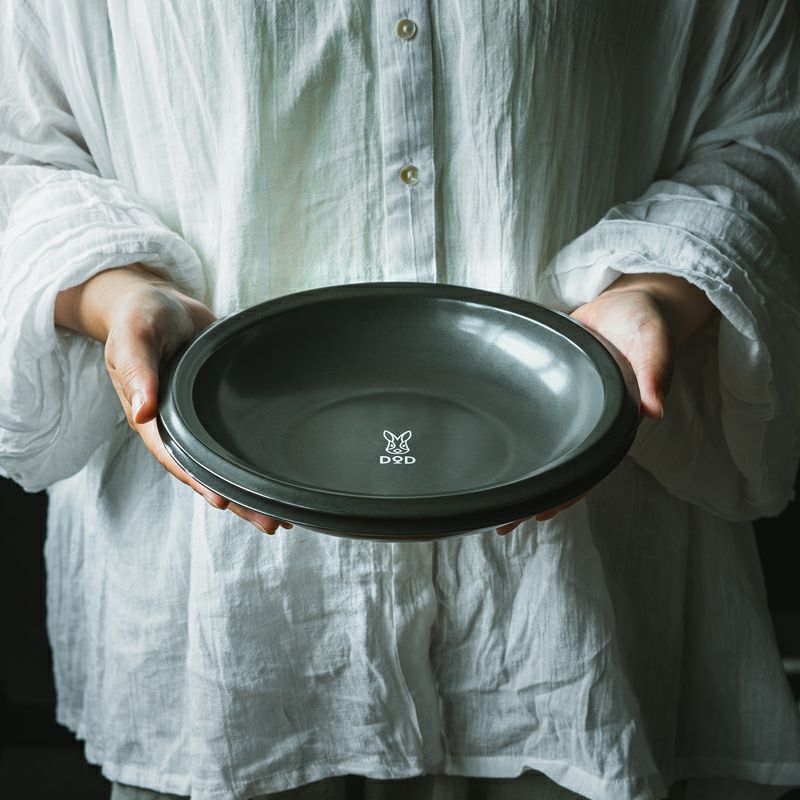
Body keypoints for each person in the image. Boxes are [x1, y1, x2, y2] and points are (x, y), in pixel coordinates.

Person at [1, 2, 799, 799]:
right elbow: (22, 155)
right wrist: (118, 296)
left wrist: (659, 292)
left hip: (577, 612)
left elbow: (763, 132)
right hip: (222, 620)